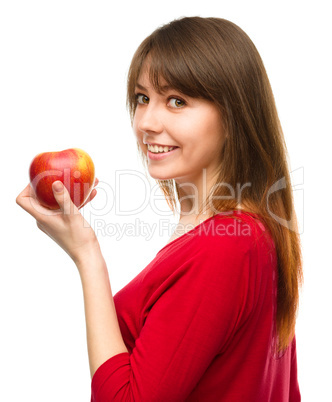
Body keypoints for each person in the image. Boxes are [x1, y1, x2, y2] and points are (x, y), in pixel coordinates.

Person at [16, 16, 303, 401]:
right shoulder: (250, 231)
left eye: (177, 101)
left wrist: (87, 255)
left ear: (233, 115)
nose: (146, 122)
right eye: (142, 98)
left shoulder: (225, 248)